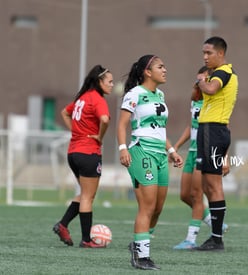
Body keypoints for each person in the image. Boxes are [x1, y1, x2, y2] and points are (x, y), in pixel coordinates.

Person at [117, 54, 183, 270]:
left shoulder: (160, 94)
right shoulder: (134, 94)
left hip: (160, 155)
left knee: (158, 207)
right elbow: (122, 125)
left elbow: (158, 129)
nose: (165, 70)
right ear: (147, 71)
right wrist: (123, 148)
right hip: (141, 151)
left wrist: (172, 150)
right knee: (146, 206)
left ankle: (138, 243)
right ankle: (141, 256)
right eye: (160, 67)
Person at [53, 65, 113, 248]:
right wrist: (100, 137)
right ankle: (87, 240)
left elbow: (65, 112)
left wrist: (76, 131)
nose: (112, 85)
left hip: (73, 153)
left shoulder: (82, 98)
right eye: (109, 81)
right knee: (88, 196)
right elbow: (104, 120)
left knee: (85, 194)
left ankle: (63, 225)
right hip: (88, 153)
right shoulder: (97, 99)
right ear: (99, 82)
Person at [172, 66, 228, 250]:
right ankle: (214, 222)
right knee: (184, 195)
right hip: (192, 151)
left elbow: (222, 131)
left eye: (206, 78)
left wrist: (225, 158)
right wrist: (177, 146)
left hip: (205, 151)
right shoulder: (196, 100)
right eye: (200, 79)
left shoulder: (214, 102)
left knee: (197, 195)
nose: (202, 81)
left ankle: (190, 239)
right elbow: (191, 127)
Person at [194, 36, 238, 251]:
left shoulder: (223, 72)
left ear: (220, 53)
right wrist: (201, 82)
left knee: (213, 185)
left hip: (214, 130)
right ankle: (215, 234)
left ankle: (217, 239)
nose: (205, 57)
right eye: (203, 53)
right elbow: (198, 95)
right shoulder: (216, 74)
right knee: (205, 185)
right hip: (208, 130)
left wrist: (201, 80)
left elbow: (209, 90)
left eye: (209, 53)